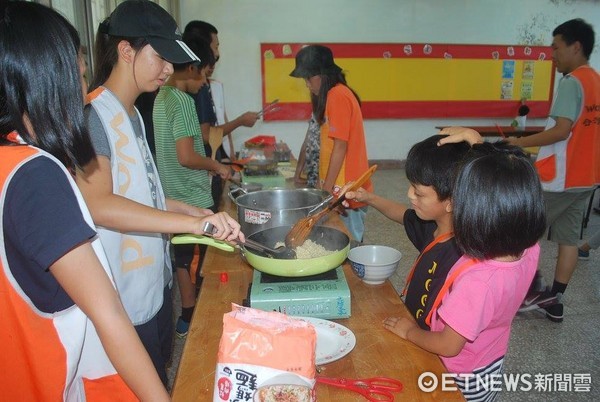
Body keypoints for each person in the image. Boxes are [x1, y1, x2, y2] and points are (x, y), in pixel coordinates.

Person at [0, 2, 169, 400]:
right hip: (58, 379)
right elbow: (107, 312)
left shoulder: (10, 161)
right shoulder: (35, 174)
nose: (82, 87)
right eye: (75, 73)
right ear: (46, 78)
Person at [77, 0, 243, 385]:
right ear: (126, 50)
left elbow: (144, 194)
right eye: (161, 57)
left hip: (153, 281)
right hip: (121, 295)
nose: (169, 70)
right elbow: (99, 205)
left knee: (161, 368)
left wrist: (194, 214)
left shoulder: (133, 112)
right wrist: (194, 227)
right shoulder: (93, 116)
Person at [441, 19, 600, 323]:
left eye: (556, 47)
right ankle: (556, 300)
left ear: (575, 46)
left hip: (559, 179)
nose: (552, 55)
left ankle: (531, 292)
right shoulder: (596, 81)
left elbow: (561, 131)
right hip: (586, 178)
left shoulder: (572, 82)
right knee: (568, 241)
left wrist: (519, 141)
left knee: (521, 233)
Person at [384, 142, 546, 401]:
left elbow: (448, 346)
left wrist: (409, 332)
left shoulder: (478, 281)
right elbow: (505, 179)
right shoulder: (528, 248)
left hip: (458, 376)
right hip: (489, 360)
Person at [345, 135, 470, 329]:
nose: (409, 194)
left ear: (452, 201)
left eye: (418, 192)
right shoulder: (433, 227)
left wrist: (413, 334)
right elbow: (402, 214)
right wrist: (367, 197)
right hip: (412, 326)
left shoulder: (462, 255)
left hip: (430, 344)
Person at [153, 37, 231, 338]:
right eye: (202, 75)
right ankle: (201, 313)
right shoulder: (183, 102)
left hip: (171, 191)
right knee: (210, 253)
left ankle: (186, 314)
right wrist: (218, 166)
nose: (203, 83)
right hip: (192, 194)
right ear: (189, 69)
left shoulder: (161, 97)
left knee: (181, 259)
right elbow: (186, 157)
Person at [290, 44, 372, 241]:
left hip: (346, 190)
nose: (307, 85)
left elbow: (340, 147)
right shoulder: (335, 95)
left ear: (322, 75)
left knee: (347, 241)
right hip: (341, 189)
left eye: (308, 79)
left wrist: (326, 193)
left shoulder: (337, 95)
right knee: (341, 239)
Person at [183, 20, 259, 208]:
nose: (217, 53)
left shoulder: (201, 86)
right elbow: (205, 136)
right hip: (198, 182)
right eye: (215, 46)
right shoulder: (193, 91)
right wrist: (241, 121)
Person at [294, 114, 321, 188]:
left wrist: (297, 175)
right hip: (314, 178)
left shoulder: (324, 114)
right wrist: (297, 175)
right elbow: (306, 143)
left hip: (324, 180)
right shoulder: (316, 114)